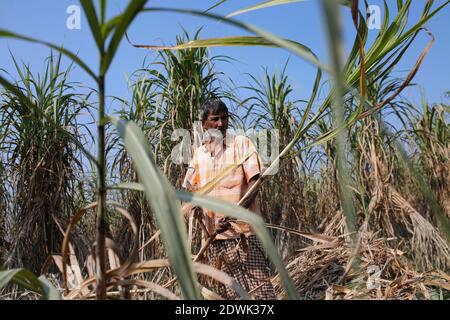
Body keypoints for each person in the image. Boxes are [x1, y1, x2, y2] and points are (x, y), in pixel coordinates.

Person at [182, 99, 276, 300]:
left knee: (261, 294)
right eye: (214, 119)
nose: (220, 124)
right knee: (231, 297)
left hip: (246, 236)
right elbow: (188, 192)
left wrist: (235, 215)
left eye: (224, 119)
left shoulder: (241, 144)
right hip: (215, 241)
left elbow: (255, 183)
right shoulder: (198, 155)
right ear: (203, 125)